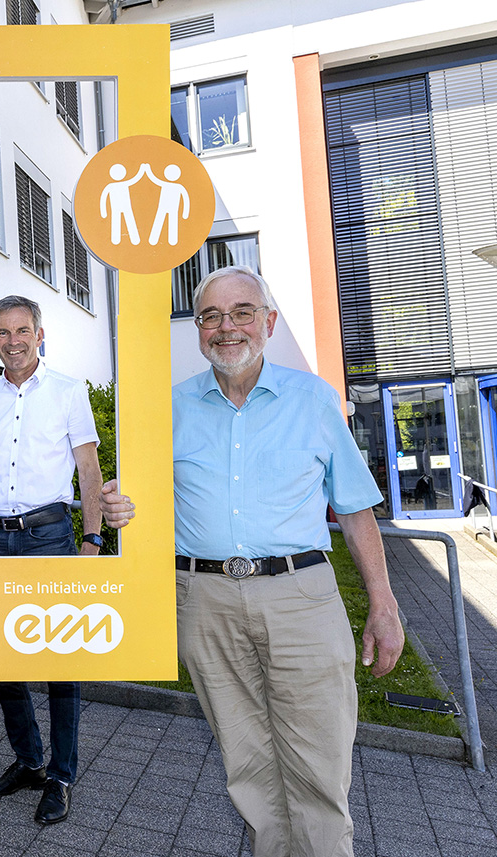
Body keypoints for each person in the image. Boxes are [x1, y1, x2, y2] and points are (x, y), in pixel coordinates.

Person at [99, 266, 404, 857]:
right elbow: (146, 504)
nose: (225, 327)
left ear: (266, 322)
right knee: (248, 769)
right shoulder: (169, 409)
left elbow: (358, 508)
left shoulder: (312, 398)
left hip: (302, 598)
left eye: (241, 312)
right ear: (197, 331)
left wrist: (385, 605)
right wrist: (120, 506)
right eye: (210, 316)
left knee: (318, 768)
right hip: (204, 603)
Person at [0, 295, 105, 826]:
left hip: (51, 538)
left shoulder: (68, 392)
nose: (13, 341)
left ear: (39, 335)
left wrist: (92, 537)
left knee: (61, 662)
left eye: (23, 331)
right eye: (2, 332)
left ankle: (61, 776)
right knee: (2, 659)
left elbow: (88, 466)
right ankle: (28, 761)